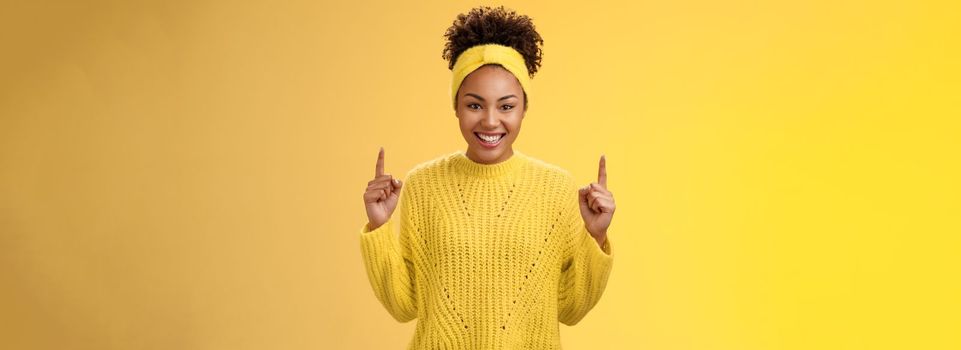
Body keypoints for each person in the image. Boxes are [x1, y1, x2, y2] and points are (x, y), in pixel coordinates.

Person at [359, 5, 614, 349]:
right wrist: (378, 228)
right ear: (456, 107)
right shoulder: (423, 185)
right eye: (475, 105)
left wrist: (595, 237)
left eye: (506, 106)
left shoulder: (556, 188)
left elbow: (569, 309)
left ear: (524, 108)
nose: (491, 121)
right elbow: (405, 306)